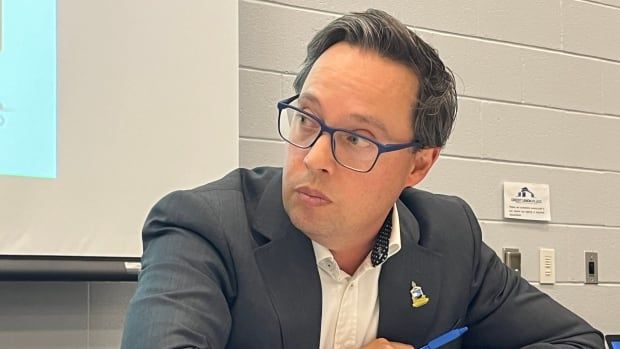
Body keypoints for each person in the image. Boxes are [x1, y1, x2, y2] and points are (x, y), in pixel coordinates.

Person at [121, 9, 604, 349]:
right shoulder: (204, 227)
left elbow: (578, 341)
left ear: (418, 164)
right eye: (307, 119)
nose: (314, 157)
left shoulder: (450, 236)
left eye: (355, 139)